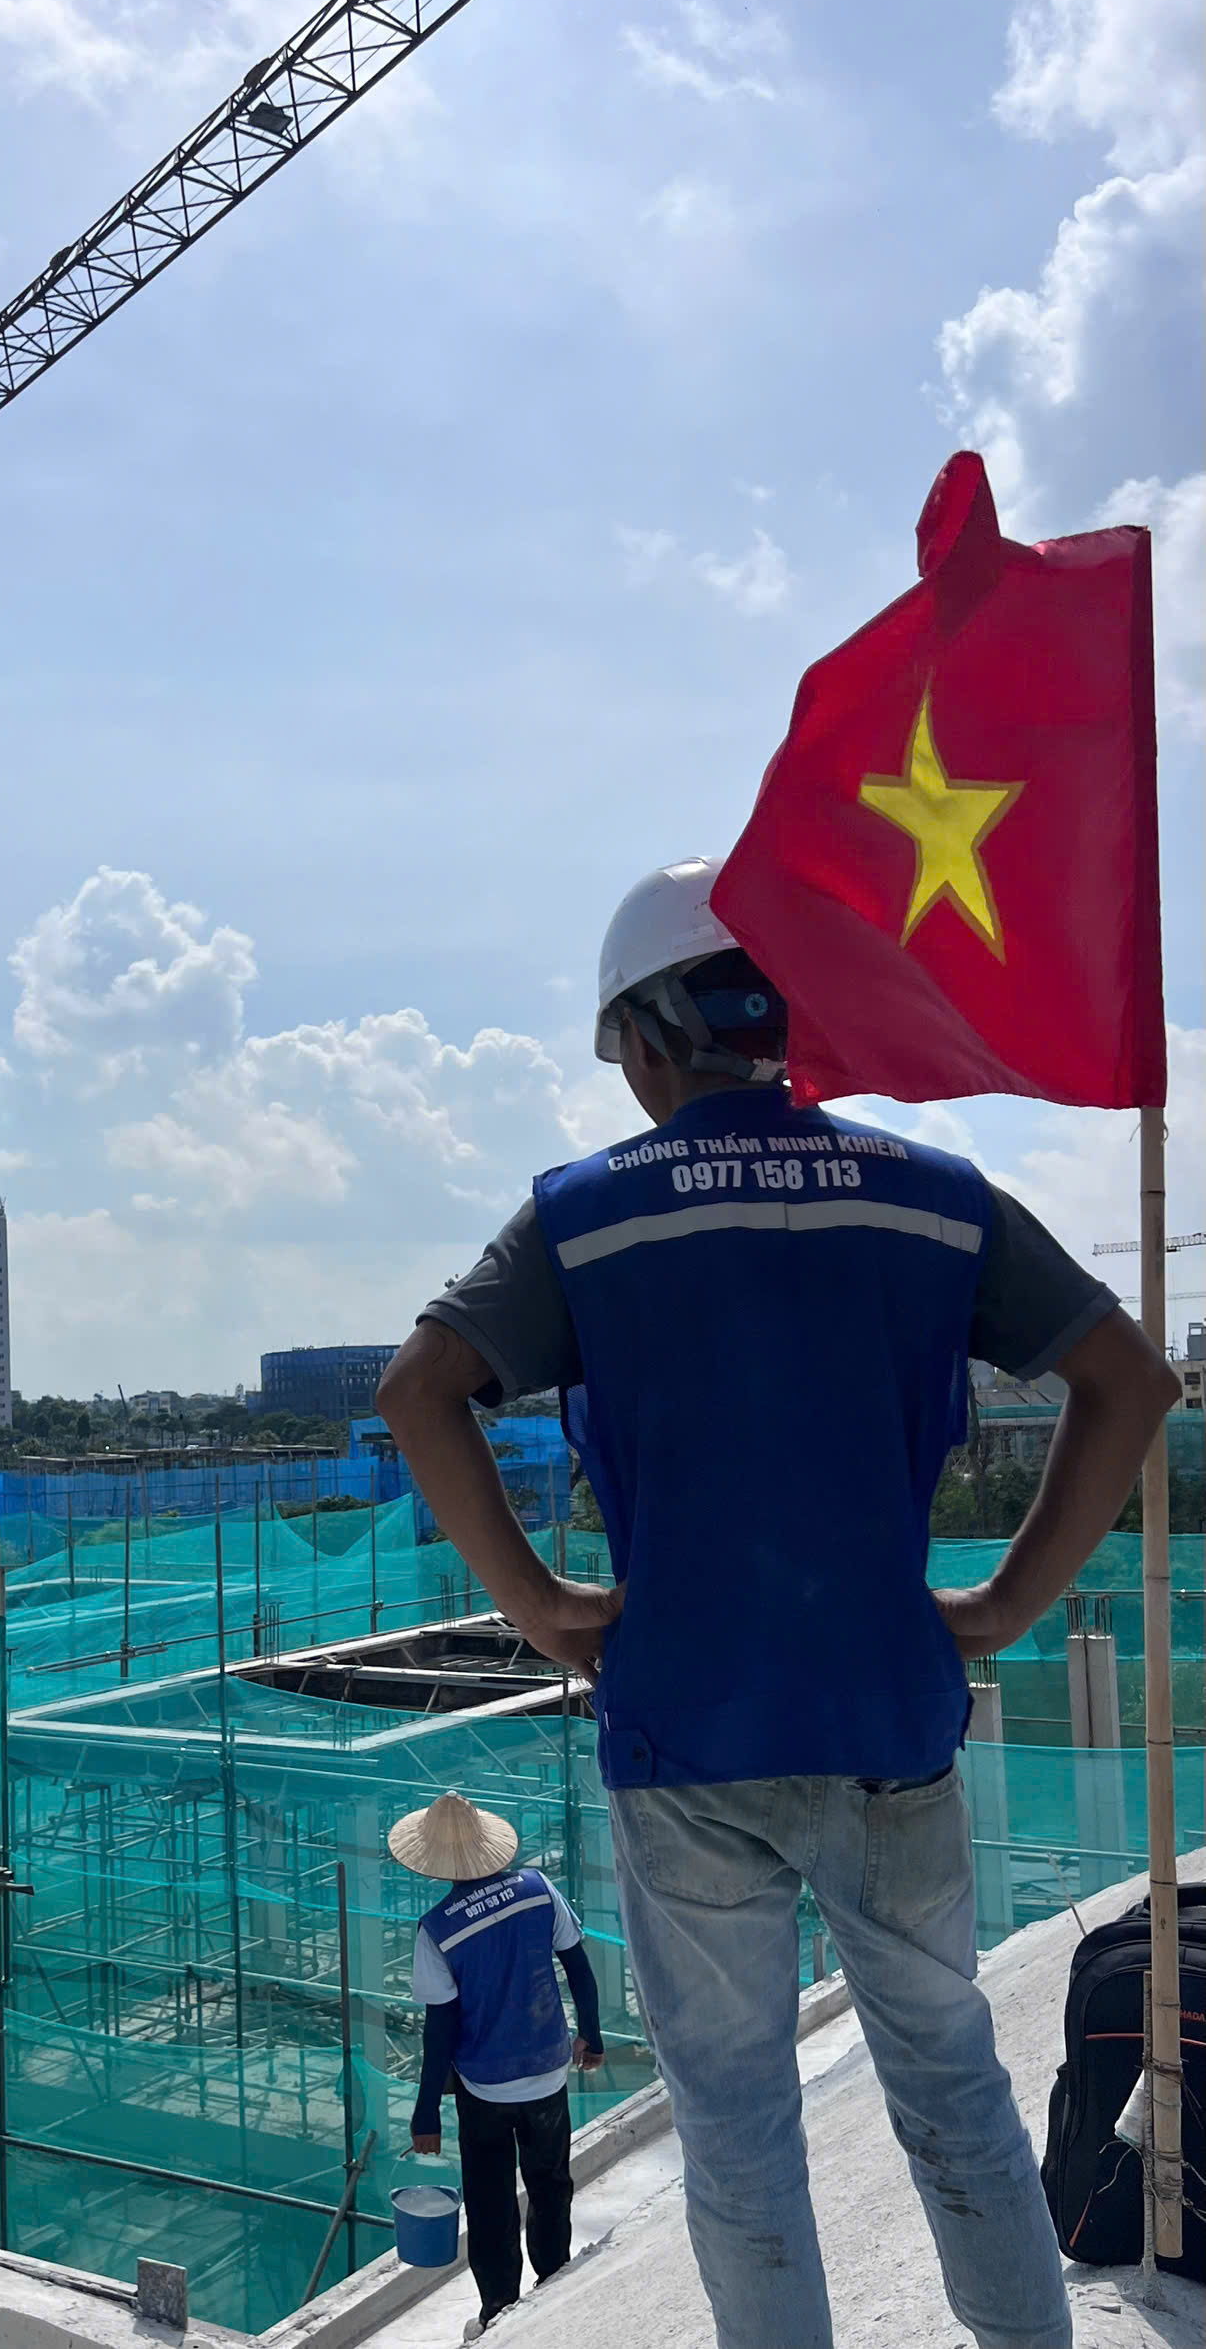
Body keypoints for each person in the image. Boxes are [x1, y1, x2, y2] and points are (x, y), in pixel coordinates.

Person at [375, 858, 1179, 2349]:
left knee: (736, 2124)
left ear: (644, 1035)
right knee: (949, 2081)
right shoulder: (934, 1198)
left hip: (681, 1731)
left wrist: (542, 1607)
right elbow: (1130, 1379)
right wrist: (1008, 1600)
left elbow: (419, 1390)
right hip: (888, 1714)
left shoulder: (584, 1217)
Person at [393, 1790, 603, 2333]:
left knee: (490, 2203)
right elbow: (578, 1965)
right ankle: (554, 2283)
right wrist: (592, 2035)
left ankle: (498, 2312)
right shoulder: (537, 1888)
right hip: (549, 2069)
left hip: (485, 2087)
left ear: (435, 1860)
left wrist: (426, 2113)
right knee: (550, 2183)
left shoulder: (437, 1930)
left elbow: (440, 2029)